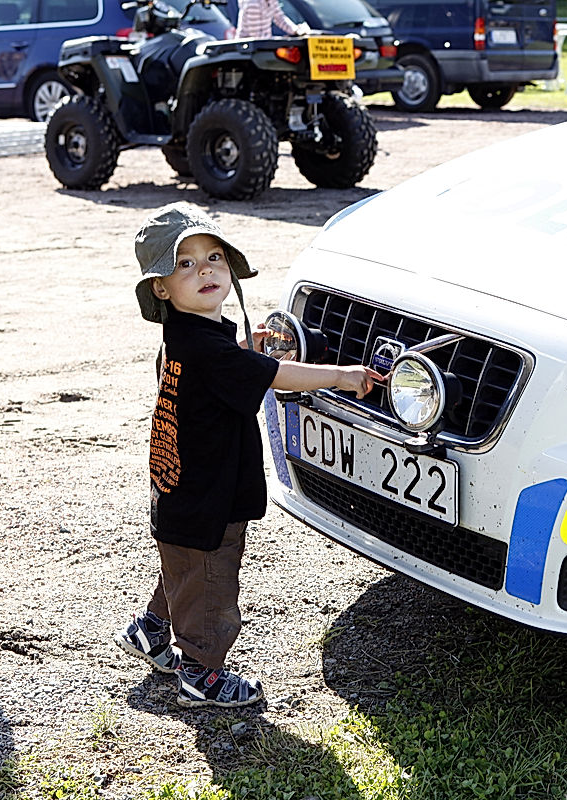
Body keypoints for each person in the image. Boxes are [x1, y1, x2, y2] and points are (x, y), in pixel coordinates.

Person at [113, 202, 381, 708]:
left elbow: (226, 367)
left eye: (213, 256)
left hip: (178, 492)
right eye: (185, 264)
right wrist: (342, 375)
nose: (206, 269)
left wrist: (243, 348)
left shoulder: (186, 339)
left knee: (185, 569)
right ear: (161, 288)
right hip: (212, 497)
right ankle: (202, 674)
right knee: (212, 583)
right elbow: (274, 377)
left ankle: (151, 631)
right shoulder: (212, 352)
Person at [235, 0, 308, 38]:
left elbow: (279, 18)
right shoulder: (252, 3)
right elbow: (256, 36)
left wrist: (296, 30)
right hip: (247, 50)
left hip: (263, 45)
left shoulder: (272, 1)